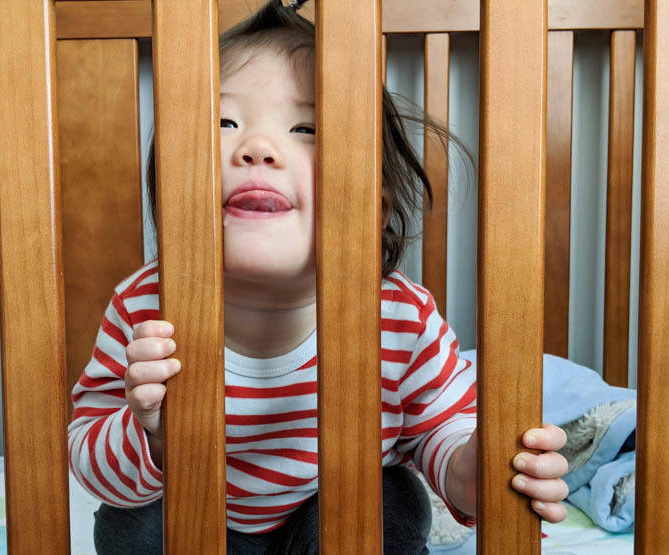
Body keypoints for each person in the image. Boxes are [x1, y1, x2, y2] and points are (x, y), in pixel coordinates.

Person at [67, 2, 569, 553]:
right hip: (195, 527)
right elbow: (89, 460)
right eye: (223, 122)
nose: (256, 148)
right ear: (169, 186)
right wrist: (152, 438)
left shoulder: (400, 316)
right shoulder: (143, 306)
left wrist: (473, 471)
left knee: (391, 500)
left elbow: (443, 430)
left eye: (305, 127)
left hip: (331, 525)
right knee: (130, 521)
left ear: (371, 209)